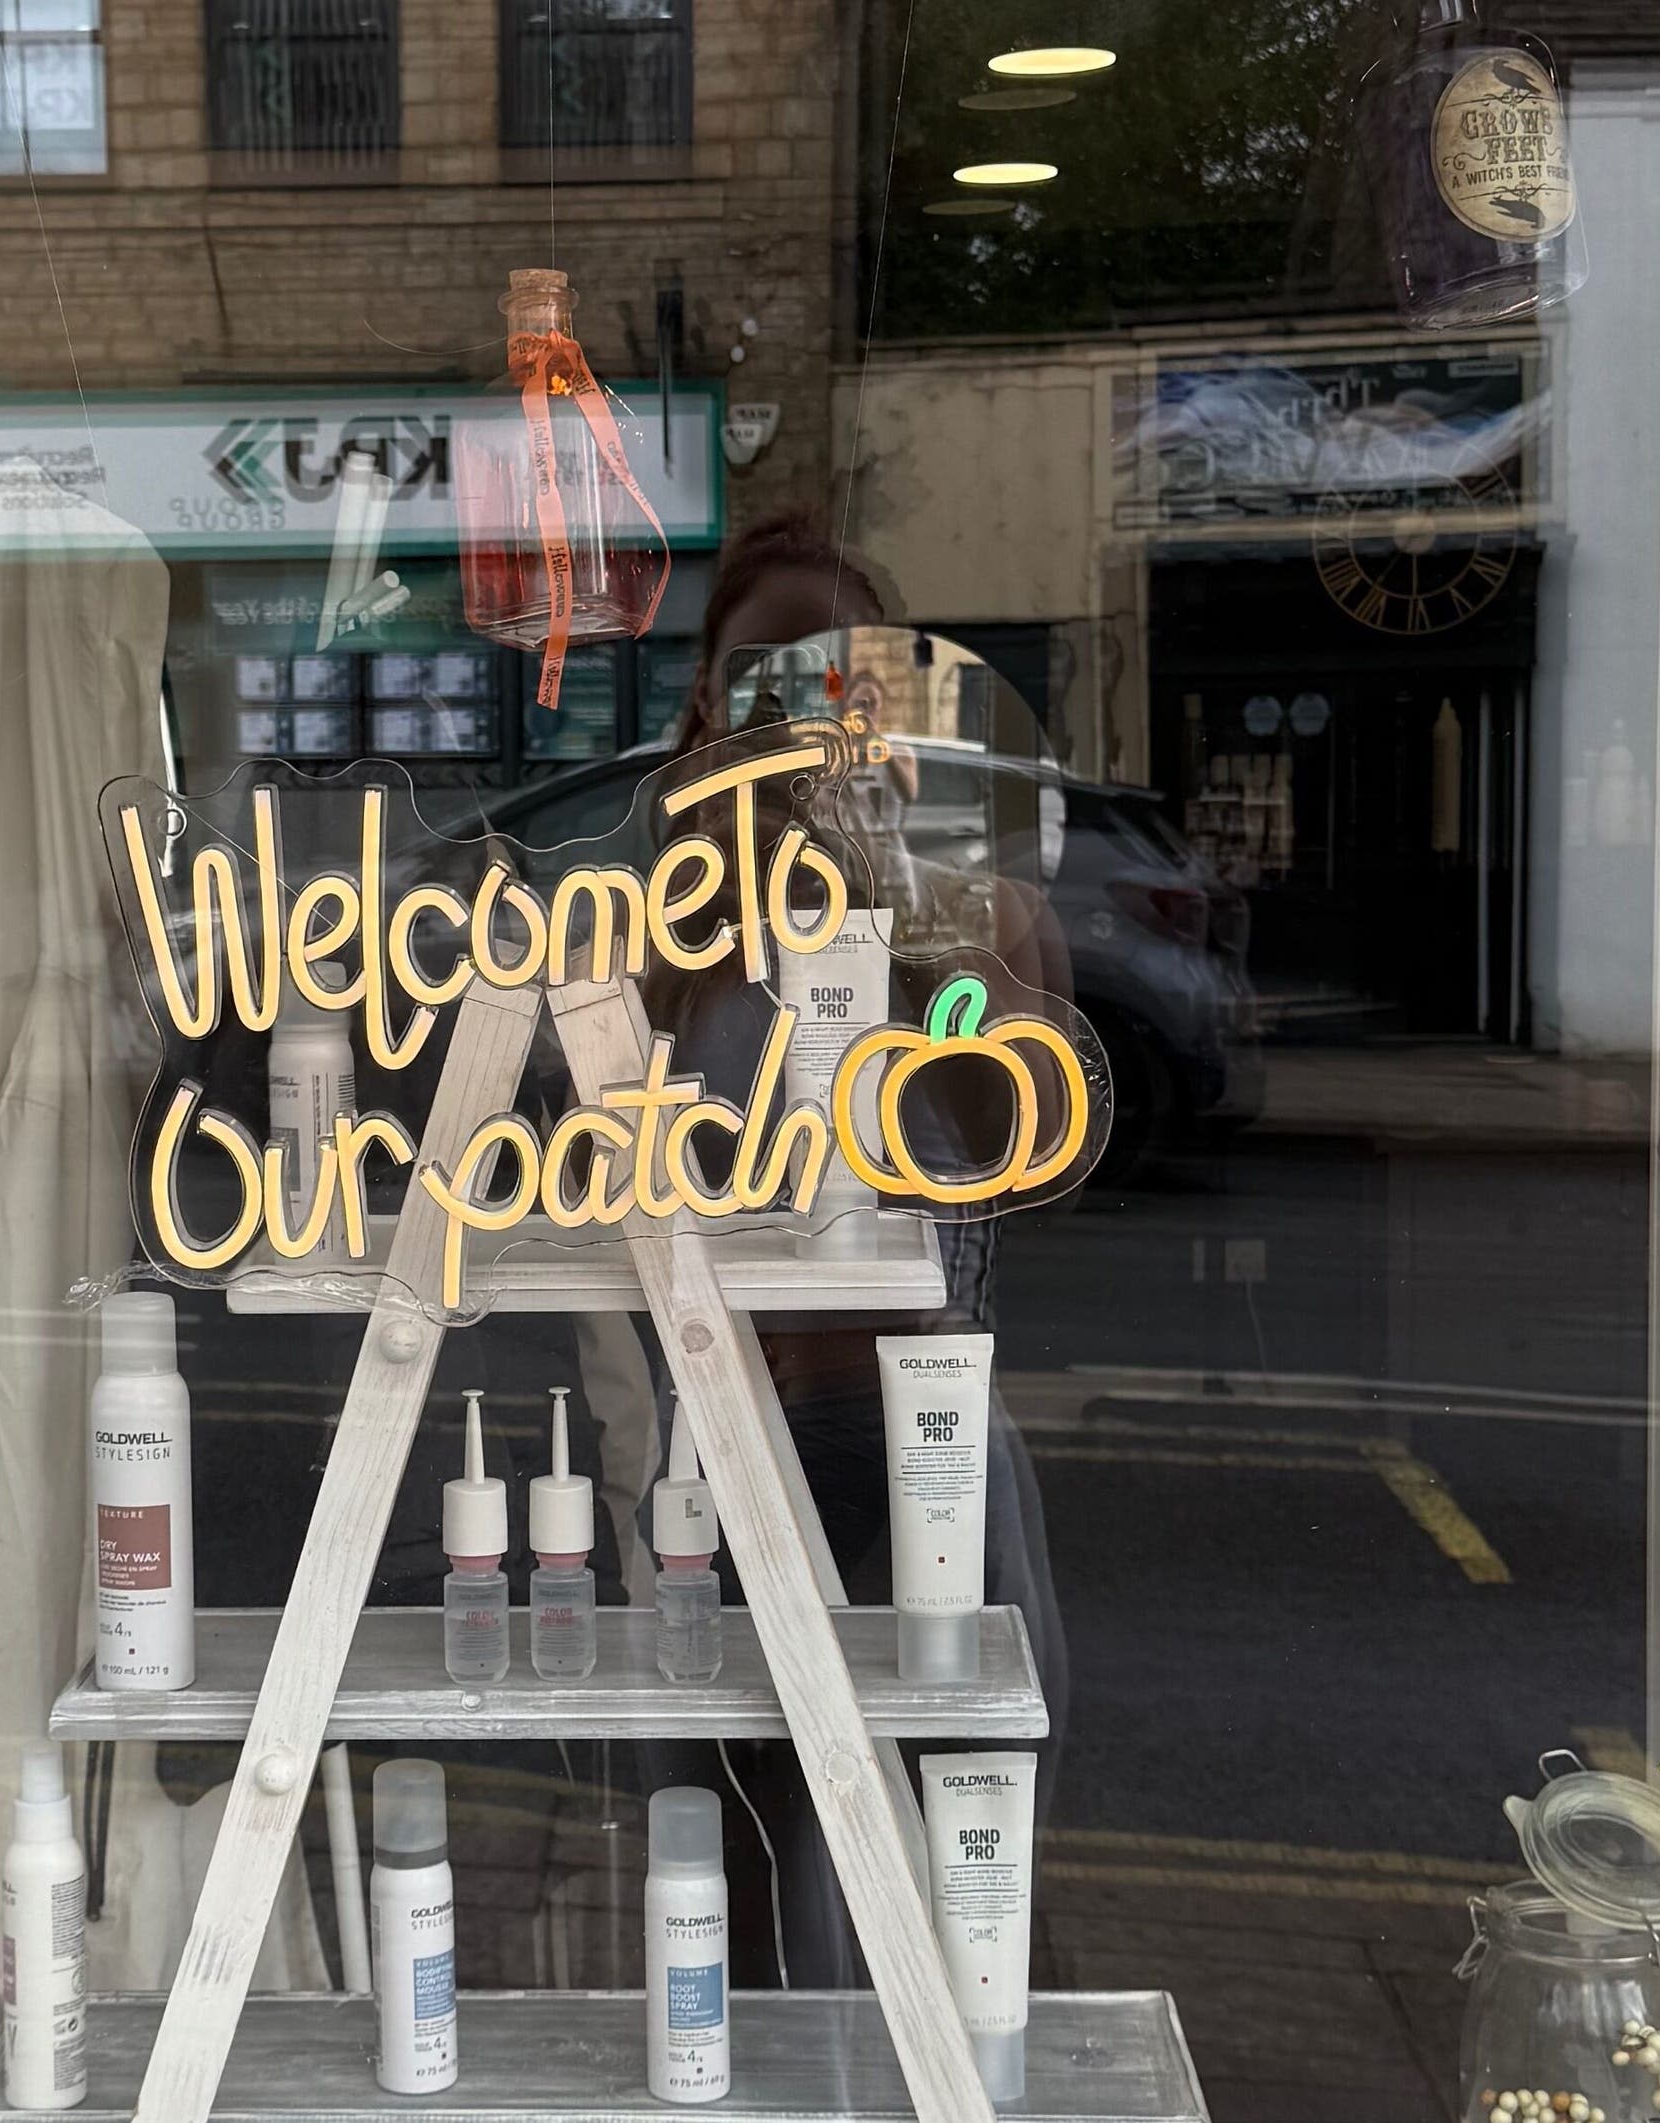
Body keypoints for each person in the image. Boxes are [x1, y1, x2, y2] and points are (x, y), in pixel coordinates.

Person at [642, 509, 1077, 1985]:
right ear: (705, 700)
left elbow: (1028, 1116)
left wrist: (895, 885)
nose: (798, 707)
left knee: (966, 1868)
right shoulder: (668, 903)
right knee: (738, 1879)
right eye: (761, 672)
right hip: (731, 1441)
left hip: (930, 1445)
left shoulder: (969, 894)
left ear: (885, 698)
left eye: (839, 675)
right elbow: (595, 1133)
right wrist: (711, 838)